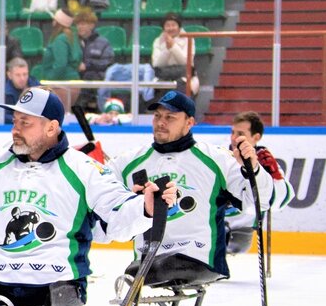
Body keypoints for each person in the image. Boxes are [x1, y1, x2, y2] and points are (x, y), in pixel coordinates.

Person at [0, 88, 175, 306]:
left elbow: (116, 211)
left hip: (58, 287)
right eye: (14, 121)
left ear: (51, 128)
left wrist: (145, 207)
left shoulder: (84, 169)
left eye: (25, 123)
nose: (15, 129)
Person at [110, 91, 269, 285]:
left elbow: (261, 199)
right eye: (158, 116)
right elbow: (100, 199)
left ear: (189, 122)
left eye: (170, 117)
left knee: (152, 269)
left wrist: (254, 169)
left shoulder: (216, 159)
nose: (161, 122)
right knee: (139, 270)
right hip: (149, 258)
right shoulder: (129, 162)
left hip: (200, 258)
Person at [224, 111, 293, 253]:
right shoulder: (219, 156)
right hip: (213, 225)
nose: (233, 138)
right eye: (233, 132)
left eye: (240, 133)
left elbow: (279, 202)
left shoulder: (264, 161)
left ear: (256, 137)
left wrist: (276, 177)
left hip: (240, 230)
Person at [151, 13, 199, 96]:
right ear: (163, 28)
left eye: (173, 25)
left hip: (184, 75)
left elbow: (186, 61)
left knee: (180, 90)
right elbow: (157, 64)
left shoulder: (189, 39)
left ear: (179, 27)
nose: (170, 28)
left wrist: (173, 47)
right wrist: (167, 49)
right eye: (167, 25)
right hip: (164, 75)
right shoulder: (157, 41)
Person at [75, 13, 114, 110]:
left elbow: (108, 62)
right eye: (78, 24)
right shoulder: (72, 42)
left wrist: (87, 66)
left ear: (92, 25)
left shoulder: (103, 42)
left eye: (83, 24)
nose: (80, 27)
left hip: (97, 78)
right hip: (77, 79)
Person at [1, 57, 40, 124]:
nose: (22, 78)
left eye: (25, 74)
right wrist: (22, 120)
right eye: (18, 75)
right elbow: (2, 116)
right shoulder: (4, 92)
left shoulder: (37, 88)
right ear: (9, 75)